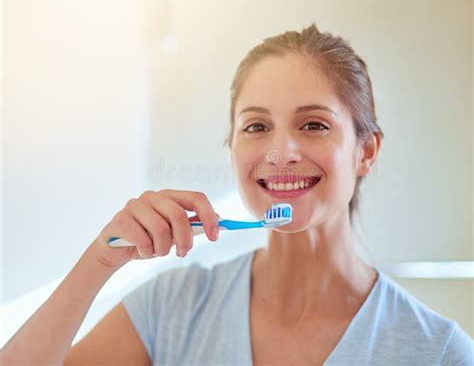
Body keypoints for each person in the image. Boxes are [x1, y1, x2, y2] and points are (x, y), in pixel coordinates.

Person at [1, 23, 472, 366]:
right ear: (233, 149)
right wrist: (97, 263)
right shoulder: (172, 309)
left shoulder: (438, 351)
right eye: (256, 126)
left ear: (365, 151)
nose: (279, 152)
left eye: (313, 125)